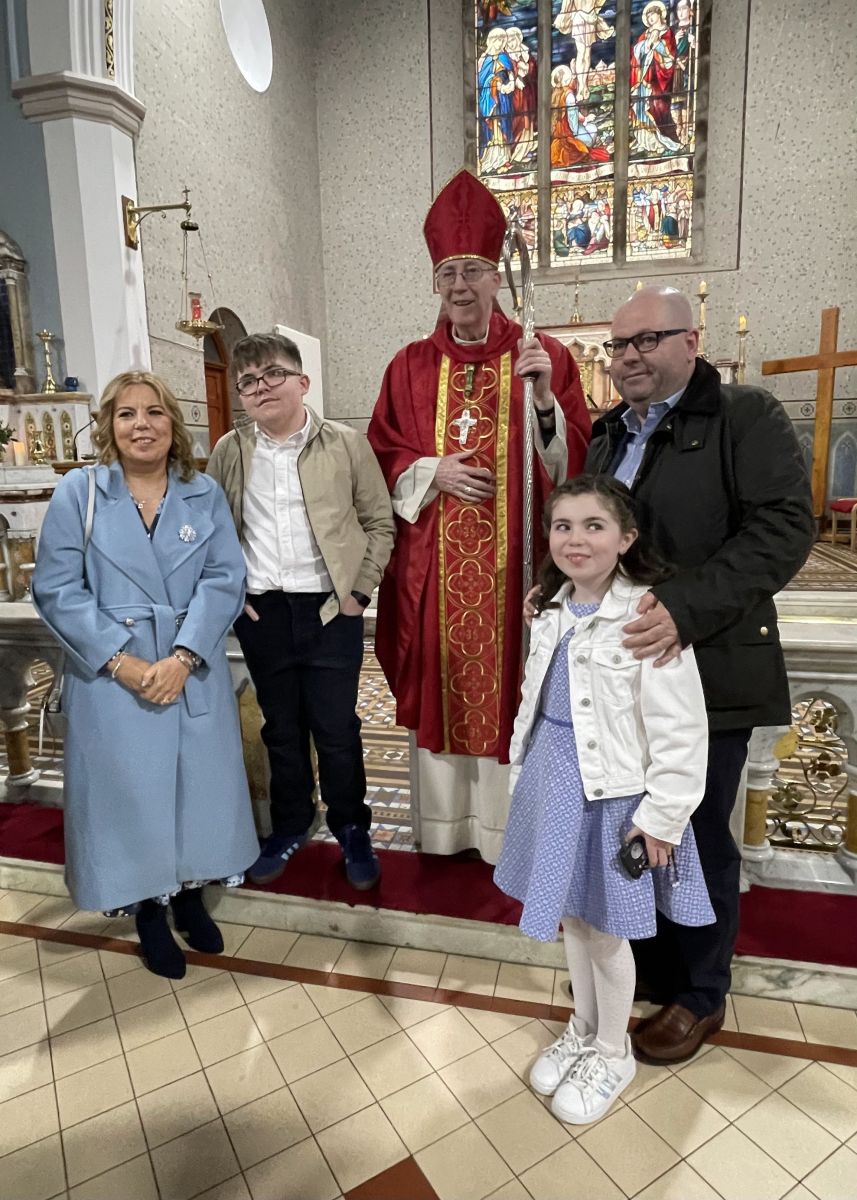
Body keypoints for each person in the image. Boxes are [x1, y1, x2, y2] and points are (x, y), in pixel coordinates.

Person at [588, 285, 814, 1062]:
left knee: (691, 830)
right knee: (633, 822)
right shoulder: (606, 432)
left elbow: (784, 528)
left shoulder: (743, 417)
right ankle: (652, 965)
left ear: (691, 340)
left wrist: (683, 609)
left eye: (645, 340)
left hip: (707, 664)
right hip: (622, 673)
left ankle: (699, 992)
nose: (628, 357)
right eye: (618, 346)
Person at [368, 168, 590, 862]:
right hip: (436, 569)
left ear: (498, 277)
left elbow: (580, 463)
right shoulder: (408, 366)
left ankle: (505, 834)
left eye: (471, 271)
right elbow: (380, 452)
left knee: (516, 690)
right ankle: (444, 831)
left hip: (517, 570)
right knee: (443, 681)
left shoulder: (543, 356)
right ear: (434, 283)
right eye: (446, 273)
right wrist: (430, 471)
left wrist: (544, 401)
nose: (459, 285)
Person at [496, 475, 713, 1124]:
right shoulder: (550, 609)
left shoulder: (646, 617)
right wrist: (520, 775)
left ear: (626, 537)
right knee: (572, 917)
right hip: (554, 778)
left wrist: (662, 817)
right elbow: (533, 700)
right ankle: (584, 1029)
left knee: (608, 931)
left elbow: (680, 729)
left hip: (613, 796)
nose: (576, 539)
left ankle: (613, 1051)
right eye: (563, 526)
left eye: (595, 526)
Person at [32, 371, 259, 979]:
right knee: (130, 798)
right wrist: (121, 661)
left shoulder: (202, 492)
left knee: (196, 792)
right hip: (113, 676)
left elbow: (224, 577)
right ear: (109, 426)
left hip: (189, 668)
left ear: (172, 424)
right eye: (127, 414)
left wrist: (183, 657)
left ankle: (190, 895)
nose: (142, 425)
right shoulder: (80, 493)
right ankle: (148, 911)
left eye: (154, 412)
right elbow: (56, 588)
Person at [207, 333, 395, 891]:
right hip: (262, 613)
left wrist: (358, 593)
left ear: (302, 381)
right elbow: (213, 532)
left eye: (273, 374)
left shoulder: (345, 444)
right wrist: (234, 595)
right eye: (248, 381)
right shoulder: (229, 450)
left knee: (337, 729)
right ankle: (291, 823)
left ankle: (352, 827)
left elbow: (379, 523)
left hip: (330, 610)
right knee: (281, 730)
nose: (260, 387)